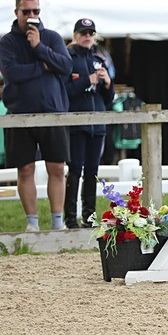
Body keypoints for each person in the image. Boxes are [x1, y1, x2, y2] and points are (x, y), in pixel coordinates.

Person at [0, 0, 72, 231]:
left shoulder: (51, 37)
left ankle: (57, 222)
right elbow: (12, 73)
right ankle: (32, 223)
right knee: (25, 169)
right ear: (16, 12)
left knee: (57, 168)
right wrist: (44, 66)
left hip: (53, 111)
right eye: (26, 11)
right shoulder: (6, 42)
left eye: (36, 11)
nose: (31, 16)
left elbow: (66, 66)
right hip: (20, 114)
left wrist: (39, 47)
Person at [64, 18, 114, 228]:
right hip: (77, 123)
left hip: (98, 123)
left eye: (91, 33)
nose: (87, 37)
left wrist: (108, 83)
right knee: (75, 169)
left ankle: (89, 216)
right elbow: (65, 91)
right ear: (75, 35)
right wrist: (87, 80)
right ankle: (70, 218)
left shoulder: (99, 59)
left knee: (92, 171)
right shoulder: (68, 58)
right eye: (83, 33)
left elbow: (108, 99)